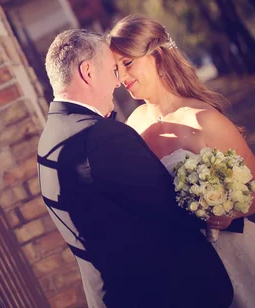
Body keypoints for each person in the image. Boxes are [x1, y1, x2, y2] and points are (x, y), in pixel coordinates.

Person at [37, 29, 233, 307]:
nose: (118, 83)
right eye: (112, 71)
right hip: (169, 295)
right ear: (88, 72)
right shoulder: (101, 136)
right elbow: (172, 208)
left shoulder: (49, 140)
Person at [108, 14, 255, 308]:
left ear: (157, 56)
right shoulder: (133, 126)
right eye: (116, 69)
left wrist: (227, 215)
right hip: (182, 270)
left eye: (127, 63)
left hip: (234, 257)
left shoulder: (203, 119)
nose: (122, 78)